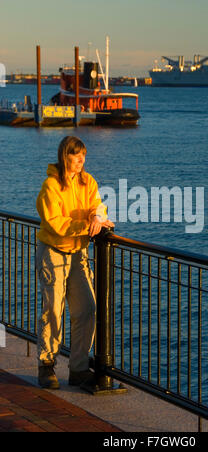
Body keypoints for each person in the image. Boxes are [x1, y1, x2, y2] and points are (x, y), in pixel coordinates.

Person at [36, 135, 114, 389]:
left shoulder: (87, 181)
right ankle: (46, 366)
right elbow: (56, 223)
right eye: (76, 155)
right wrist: (87, 226)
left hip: (78, 254)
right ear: (64, 156)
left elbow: (97, 205)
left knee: (87, 310)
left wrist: (97, 217)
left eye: (84, 155)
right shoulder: (51, 186)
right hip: (53, 252)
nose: (81, 160)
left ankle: (79, 368)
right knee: (53, 311)